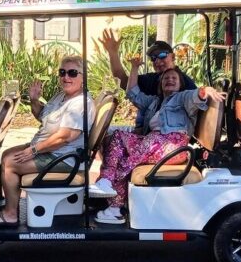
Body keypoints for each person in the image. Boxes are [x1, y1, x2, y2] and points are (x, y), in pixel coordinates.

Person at [90, 57, 225, 224]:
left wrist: (205, 90)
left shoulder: (181, 98)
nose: (169, 80)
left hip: (173, 146)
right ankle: (115, 209)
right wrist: (133, 67)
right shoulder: (155, 102)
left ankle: (107, 184)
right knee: (116, 145)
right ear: (160, 84)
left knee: (120, 137)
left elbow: (194, 96)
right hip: (157, 144)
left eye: (174, 78)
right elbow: (133, 93)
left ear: (180, 84)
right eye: (166, 79)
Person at [0, 55, 95, 227]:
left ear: (83, 77)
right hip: (51, 151)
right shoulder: (62, 96)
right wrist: (34, 100)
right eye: (62, 72)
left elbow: (65, 136)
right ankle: (10, 207)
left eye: (73, 73)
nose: (66, 77)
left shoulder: (80, 103)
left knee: (10, 163)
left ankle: (11, 214)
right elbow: (42, 116)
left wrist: (33, 150)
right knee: (6, 154)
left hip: (64, 157)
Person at [99, 29, 196, 130]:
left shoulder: (185, 83)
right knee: (107, 132)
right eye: (153, 58)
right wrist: (113, 53)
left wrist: (205, 92)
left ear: (173, 57)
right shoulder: (153, 81)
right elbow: (126, 84)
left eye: (162, 55)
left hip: (164, 138)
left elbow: (196, 99)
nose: (157, 61)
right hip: (145, 131)